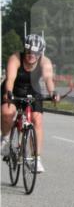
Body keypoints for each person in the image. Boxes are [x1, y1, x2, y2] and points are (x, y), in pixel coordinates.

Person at [1, 34, 61, 172]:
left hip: (33, 90)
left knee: (37, 119)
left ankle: (36, 159)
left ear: (40, 53)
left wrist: (53, 93)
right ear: (24, 50)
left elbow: (48, 80)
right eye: (28, 52)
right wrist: (8, 93)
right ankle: (5, 139)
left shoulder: (45, 62)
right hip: (14, 89)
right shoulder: (15, 58)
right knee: (6, 112)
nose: (31, 55)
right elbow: (10, 79)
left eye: (35, 53)